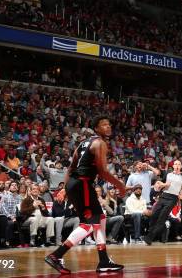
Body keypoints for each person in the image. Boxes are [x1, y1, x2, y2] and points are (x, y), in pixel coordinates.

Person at [45, 116, 126, 274]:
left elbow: (70, 169)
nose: (108, 127)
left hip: (75, 183)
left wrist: (65, 189)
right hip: (82, 183)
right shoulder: (100, 143)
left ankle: (104, 261)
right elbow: (102, 172)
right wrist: (120, 184)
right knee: (89, 224)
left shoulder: (83, 143)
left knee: (99, 218)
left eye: (109, 124)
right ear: (96, 128)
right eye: (104, 125)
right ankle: (56, 255)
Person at [143, 160, 182, 245]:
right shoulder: (168, 174)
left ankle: (150, 238)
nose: (177, 165)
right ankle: (150, 235)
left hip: (173, 198)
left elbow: (170, 185)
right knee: (154, 215)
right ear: (173, 166)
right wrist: (160, 184)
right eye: (175, 164)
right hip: (164, 196)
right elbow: (159, 176)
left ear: (181, 167)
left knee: (161, 218)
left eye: (179, 164)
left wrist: (164, 185)